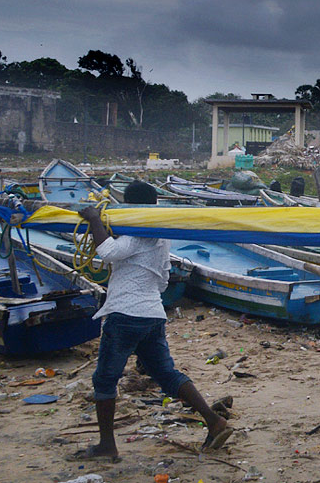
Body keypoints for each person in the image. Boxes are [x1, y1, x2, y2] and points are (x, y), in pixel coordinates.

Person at [77, 183, 231, 460]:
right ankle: (213, 420)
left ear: (131, 205)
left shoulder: (139, 231)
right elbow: (162, 279)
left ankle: (107, 446)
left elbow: (108, 253)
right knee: (165, 373)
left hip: (125, 314)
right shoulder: (161, 235)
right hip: (152, 313)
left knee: (105, 379)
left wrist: (94, 219)